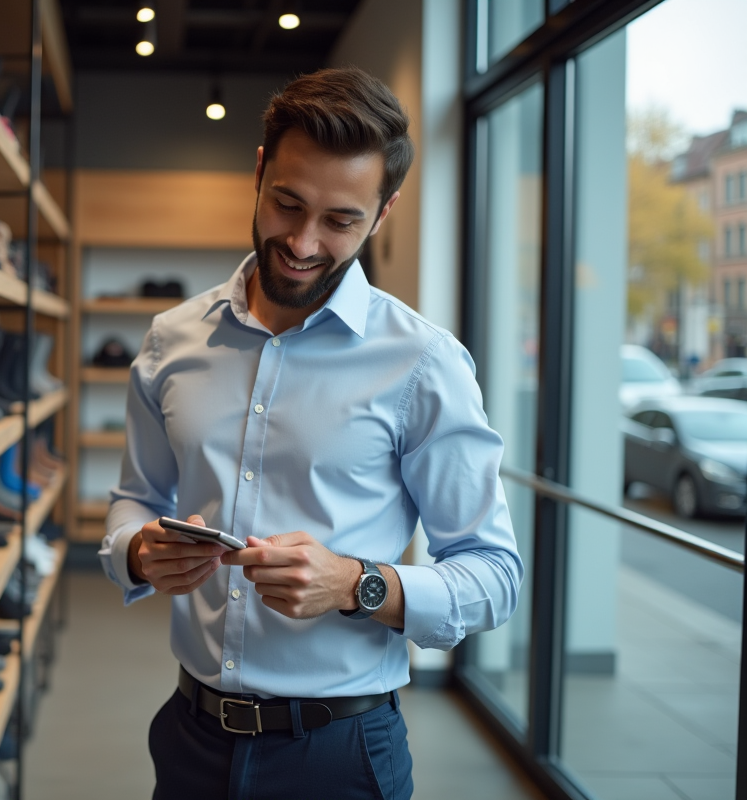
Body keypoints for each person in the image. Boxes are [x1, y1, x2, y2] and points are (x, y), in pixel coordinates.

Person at [98, 66, 523, 800]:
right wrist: (138, 551)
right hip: (189, 738)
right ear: (260, 171)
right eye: (287, 204)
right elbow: (135, 498)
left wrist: (356, 584)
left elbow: (495, 576)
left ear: (383, 213)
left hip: (341, 756)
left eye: (340, 221)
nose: (301, 242)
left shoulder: (424, 364)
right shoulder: (171, 340)